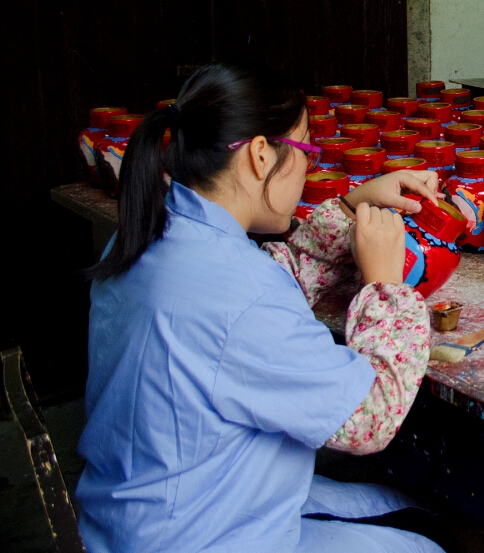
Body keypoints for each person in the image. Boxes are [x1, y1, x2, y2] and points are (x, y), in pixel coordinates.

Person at [76, 63, 447, 552]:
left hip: (129, 520)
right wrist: (384, 284)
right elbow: (370, 417)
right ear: (258, 155)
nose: (309, 166)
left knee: (400, 507)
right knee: (428, 544)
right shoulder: (242, 294)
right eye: (306, 151)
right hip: (194, 536)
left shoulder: (145, 234)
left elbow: (261, 287)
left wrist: (351, 205)